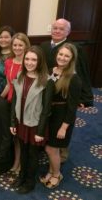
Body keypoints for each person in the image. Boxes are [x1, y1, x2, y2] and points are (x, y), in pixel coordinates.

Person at [40, 18, 93, 163]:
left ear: (68, 32)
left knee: (63, 124)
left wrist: (85, 97)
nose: (57, 31)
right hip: (48, 91)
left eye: (61, 29)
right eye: (55, 28)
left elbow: (81, 73)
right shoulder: (44, 45)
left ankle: (62, 152)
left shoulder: (73, 48)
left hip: (65, 93)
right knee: (48, 124)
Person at [10, 46, 52, 194]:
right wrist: (12, 122)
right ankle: (21, 176)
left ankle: (30, 182)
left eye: (34, 59)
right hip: (21, 121)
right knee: (23, 151)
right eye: (27, 59)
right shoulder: (20, 75)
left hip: (35, 124)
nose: (29, 62)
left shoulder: (46, 80)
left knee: (33, 154)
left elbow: (46, 109)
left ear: (40, 61)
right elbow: (15, 100)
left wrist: (40, 131)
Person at [40, 43, 81, 189]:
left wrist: (64, 127)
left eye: (67, 56)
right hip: (49, 115)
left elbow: (72, 108)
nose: (62, 58)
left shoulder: (73, 78)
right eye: (61, 54)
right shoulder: (51, 70)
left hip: (62, 118)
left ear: (72, 59)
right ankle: (51, 171)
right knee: (49, 148)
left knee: (52, 149)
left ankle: (57, 174)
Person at [2, 33, 31, 174]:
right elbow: (8, 85)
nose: (17, 47)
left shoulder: (30, 61)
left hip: (24, 104)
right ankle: (16, 162)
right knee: (14, 135)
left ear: (26, 46)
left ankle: (20, 164)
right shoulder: (8, 62)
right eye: (15, 45)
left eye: (20, 45)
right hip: (10, 102)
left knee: (22, 136)